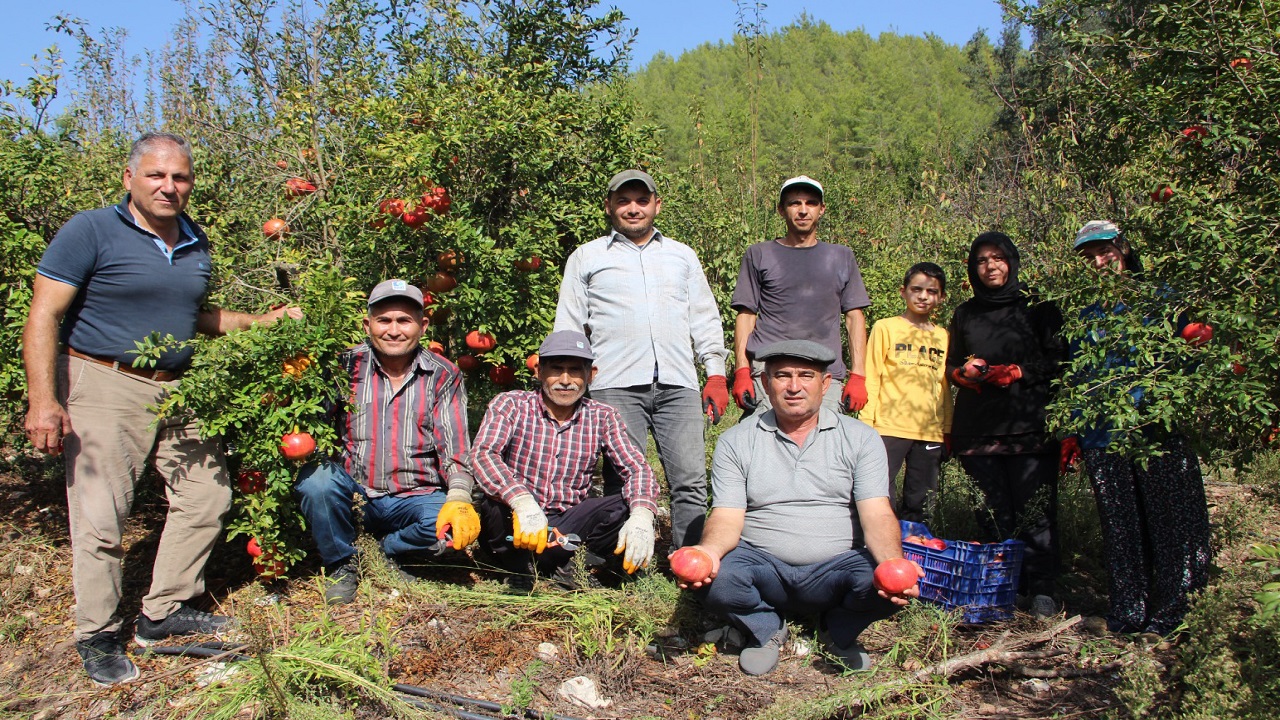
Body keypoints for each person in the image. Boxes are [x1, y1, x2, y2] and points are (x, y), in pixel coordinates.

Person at [21, 132, 302, 686]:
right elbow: (44, 315)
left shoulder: (195, 240)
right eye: (156, 175)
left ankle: (164, 613)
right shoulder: (89, 231)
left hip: (180, 386)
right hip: (104, 381)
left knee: (208, 495)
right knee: (102, 516)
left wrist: (258, 322)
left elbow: (191, 315)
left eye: (179, 177)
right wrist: (43, 399)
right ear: (130, 179)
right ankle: (97, 634)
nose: (168, 187)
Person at [680, 340, 920, 676]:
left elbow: (877, 512)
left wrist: (893, 563)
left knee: (883, 584)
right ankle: (765, 628)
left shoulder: (861, 438)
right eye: (782, 376)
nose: (794, 386)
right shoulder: (736, 440)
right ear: (766, 384)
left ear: (825, 384)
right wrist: (706, 554)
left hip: (836, 569)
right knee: (717, 581)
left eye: (806, 375)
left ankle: (838, 630)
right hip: (765, 568)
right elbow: (726, 515)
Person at [554, 169, 729, 549]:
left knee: (690, 480)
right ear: (609, 206)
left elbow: (703, 316)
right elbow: (569, 324)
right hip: (614, 385)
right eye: (623, 201)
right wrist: (569, 379)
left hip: (678, 383)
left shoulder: (682, 255)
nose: (633, 209)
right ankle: (624, 561)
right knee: (622, 480)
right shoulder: (587, 256)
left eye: (641, 200)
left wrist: (715, 373)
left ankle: (690, 562)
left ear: (656, 205)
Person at [1065, 220, 1211, 635]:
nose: (1098, 260)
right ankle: (1129, 612)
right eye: (1089, 255)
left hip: (1155, 433)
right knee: (1120, 526)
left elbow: (1188, 361)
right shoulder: (1085, 314)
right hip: (1102, 436)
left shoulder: (1161, 301)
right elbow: (1080, 377)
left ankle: (1174, 613)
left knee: (1171, 523)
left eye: (1104, 250)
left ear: (1123, 249)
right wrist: (1075, 432)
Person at [294, 279, 478, 606]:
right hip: (355, 492)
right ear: (368, 325)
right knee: (316, 482)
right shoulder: (342, 367)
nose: (394, 330)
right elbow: (311, 431)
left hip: (414, 496)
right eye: (384, 320)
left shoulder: (444, 374)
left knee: (447, 526)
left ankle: (381, 552)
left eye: (404, 320)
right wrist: (294, 381)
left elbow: (455, 448)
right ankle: (341, 562)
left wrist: (460, 496)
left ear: (422, 325)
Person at [470, 330, 661, 589]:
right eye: (556, 369)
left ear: (590, 375)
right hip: (514, 522)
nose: (565, 380)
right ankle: (517, 567)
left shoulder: (603, 416)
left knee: (626, 504)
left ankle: (570, 566)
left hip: (567, 524)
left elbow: (636, 468)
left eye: (575, 371)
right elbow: (484, 454)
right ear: (538, 371)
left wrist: (642, 516)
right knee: (493, 505)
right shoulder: (511, 404)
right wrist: (522, 501)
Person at [946, 232, 1066, 619]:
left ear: (1012, 261)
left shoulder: (1039, 307)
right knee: (993, 512)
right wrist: (962, 375)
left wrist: (1017, 371)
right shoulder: (965, 313)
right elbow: (949, 365)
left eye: (998, 258)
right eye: (982, 260)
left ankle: (1043, 588)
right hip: (978, 428)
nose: (990, 266)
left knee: (1034, 510)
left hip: (1029, 425)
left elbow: (1059, 361)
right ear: (972, 267)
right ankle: (1002, 588)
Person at [730, 176, 872, 417]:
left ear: (822, 209)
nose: (803, 210)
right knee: (762, 447)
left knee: (825, 448)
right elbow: (746, 315)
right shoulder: (759, 254)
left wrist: (858, 376)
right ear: (781, 210)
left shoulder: (841, 256)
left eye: (811, 203)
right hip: (770, 372)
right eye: (795, 203)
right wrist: (742, 372)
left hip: (824, 373)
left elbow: (854, 317)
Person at [861, 262, 953, 522]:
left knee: (921, 501)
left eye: (932, 291)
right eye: (917, 289)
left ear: (942, 297)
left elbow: (943, 385)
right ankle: (878, 551)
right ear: (903, 292)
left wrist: (947, 428)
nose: (923, 296)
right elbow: (873, 375)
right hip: (888, 427)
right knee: (879, 495)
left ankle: (914, 550)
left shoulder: (943, 336)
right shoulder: (886, 327)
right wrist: (868, 424)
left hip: (929, 430)